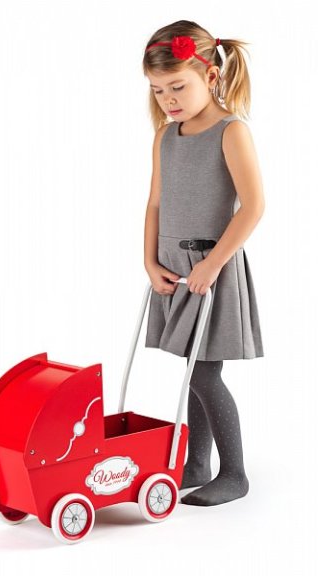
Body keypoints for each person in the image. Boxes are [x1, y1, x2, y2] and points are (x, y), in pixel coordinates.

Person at [142, 20, 265, 506]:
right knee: (193, 369)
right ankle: (197, 464)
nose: (167, 99)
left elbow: (253, 207)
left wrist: (212, 265)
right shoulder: (165, 136)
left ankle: (234, 473)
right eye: (158, 90)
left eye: (178, 87)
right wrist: (149, 261)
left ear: (210, 76)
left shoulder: (230, 132)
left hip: (211, 269)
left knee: (204, 374)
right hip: (175, 269)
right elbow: (155, 202)